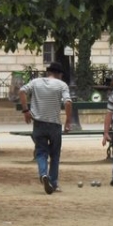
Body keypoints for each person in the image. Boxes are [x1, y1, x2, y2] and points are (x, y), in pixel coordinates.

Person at [19, 61, 72, 195]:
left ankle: (43, 174)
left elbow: (22, 91)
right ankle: (53, 182)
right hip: (54, 124)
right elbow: (68, 102)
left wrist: (26, 111)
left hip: (39, 123)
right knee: (55, 155)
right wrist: (68, 121)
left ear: (48, 72)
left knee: (41, 152)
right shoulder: (62, 85)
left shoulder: (36, 82)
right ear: (59, 74)